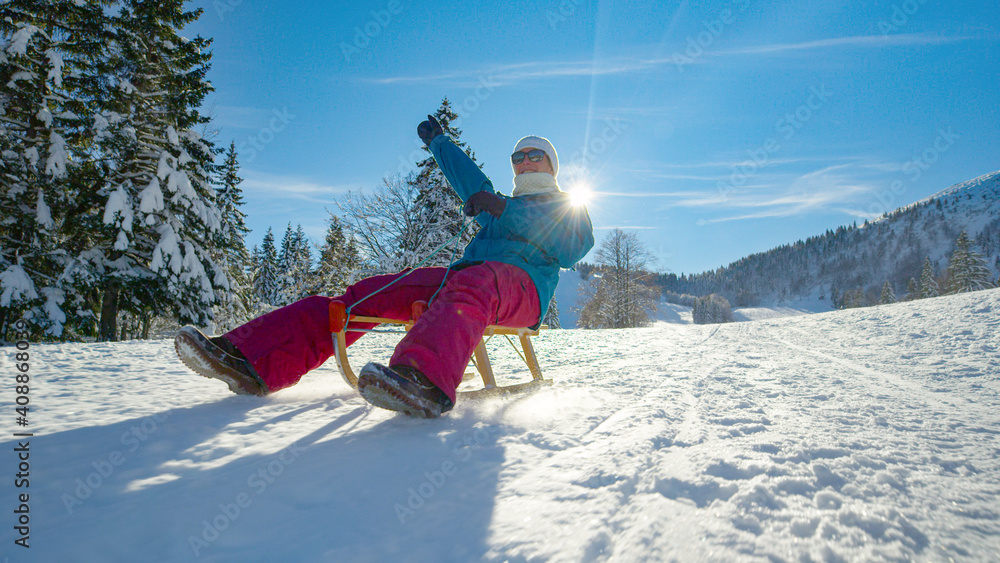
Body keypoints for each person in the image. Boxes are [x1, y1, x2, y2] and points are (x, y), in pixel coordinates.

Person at [175, 114, 595, 418]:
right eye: (518, 156)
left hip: (522, 291)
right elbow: (474, 184)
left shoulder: (565, 206)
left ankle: (422, 380)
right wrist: (440, 144)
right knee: (371, 292)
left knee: (477, 282)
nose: (524, 162)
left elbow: (571, 246)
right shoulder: (498, 205)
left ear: (551, 166)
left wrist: (504, 209)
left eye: (534, 155)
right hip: (470, 280)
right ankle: (250, 357)